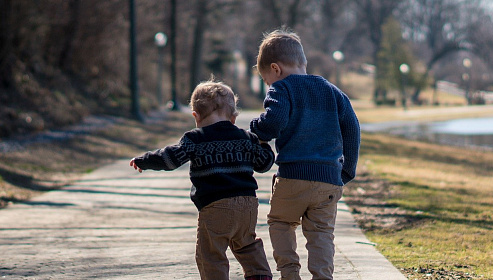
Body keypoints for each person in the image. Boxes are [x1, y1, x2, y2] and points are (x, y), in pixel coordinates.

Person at [129, 80, 275, 280]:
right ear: (233, 118)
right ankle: (260, 275)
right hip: (247, 205)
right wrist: (264, 143)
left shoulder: (195, 139)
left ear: (195, 116)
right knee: (247, 244)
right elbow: (264, 164)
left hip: (215, 207)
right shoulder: (245, 137)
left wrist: (144, 161)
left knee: (211, 254)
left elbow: (170, 159)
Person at [250, 29, 360, 280]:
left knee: (280, 222)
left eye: (268, 81)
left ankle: (290, 273)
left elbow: (273, 121)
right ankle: (322, 276)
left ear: (275, 69)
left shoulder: (282, 89)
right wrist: (347, 170)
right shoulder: (332, 91)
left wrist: (256, 130)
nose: (270, 86)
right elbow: (352, 127)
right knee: (321, 233)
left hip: (293, 177)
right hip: (329, 179)